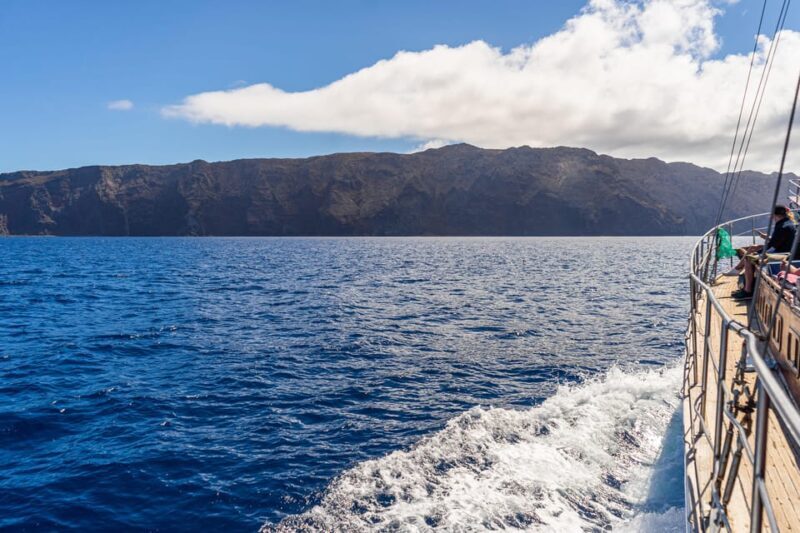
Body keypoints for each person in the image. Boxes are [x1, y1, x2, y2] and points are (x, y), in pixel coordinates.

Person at [731, 205, 797, 299]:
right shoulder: (787, 223)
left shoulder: (781, 226)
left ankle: (748, 291)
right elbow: (776, 242)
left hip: (782, 253)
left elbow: (772, 246)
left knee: (749, 259)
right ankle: (738, 271)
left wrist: (758, 254)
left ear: (775, 215)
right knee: (753, 250)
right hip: (783, 250)